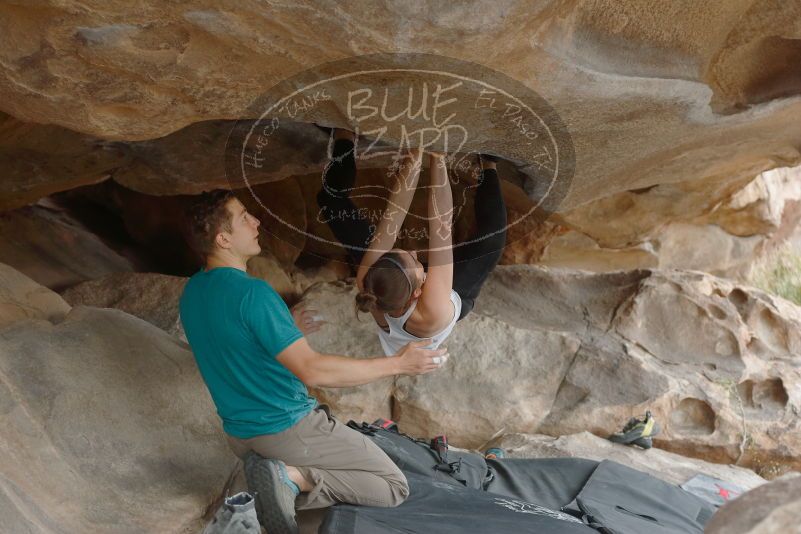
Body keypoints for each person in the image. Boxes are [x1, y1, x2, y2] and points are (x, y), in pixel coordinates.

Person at [179, 190, 448, 533]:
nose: (256, 221)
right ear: (223, 238)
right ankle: (286, 480)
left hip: (241, 434)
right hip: (286, 428)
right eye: (244, 217)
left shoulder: (194, 293)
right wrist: (399, 363)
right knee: (392, 485)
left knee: (323, 501)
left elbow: (232, 349)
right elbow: (313, 370)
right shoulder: (253, 294)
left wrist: (284, 330)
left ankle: (273, 489)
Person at [316, 128, 507, 356]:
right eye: (417, 263)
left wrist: (415, 155)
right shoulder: (433, 309)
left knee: (331, 202)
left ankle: (344, 137)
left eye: (407, 254)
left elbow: (393, 215)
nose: (417, 254)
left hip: (403, 284)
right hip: (449, 297)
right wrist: (437, 158)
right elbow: (441, 225)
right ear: (419, 291)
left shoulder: (369, 278)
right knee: (492, 239)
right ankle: (488, 165)